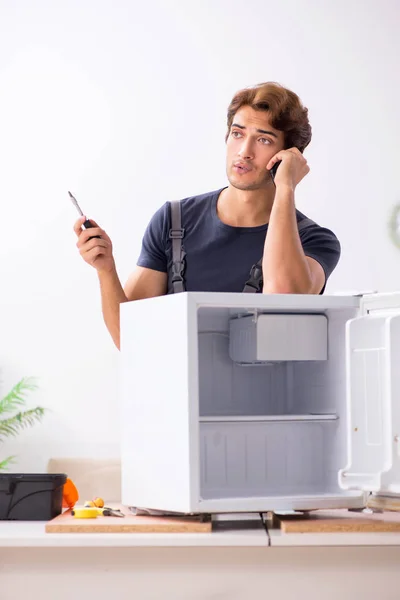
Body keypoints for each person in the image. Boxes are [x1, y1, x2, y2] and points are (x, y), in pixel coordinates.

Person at [74, 81, 341, 350]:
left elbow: (284, 295)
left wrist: (286, 187)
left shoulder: (315, 241)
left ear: (288, 155)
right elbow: (130, 339)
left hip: (262, 391)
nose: (244, 152)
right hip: (178, 391)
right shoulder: (173, 221)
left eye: (263, 140)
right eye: (237, 134)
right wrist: (106, 270)